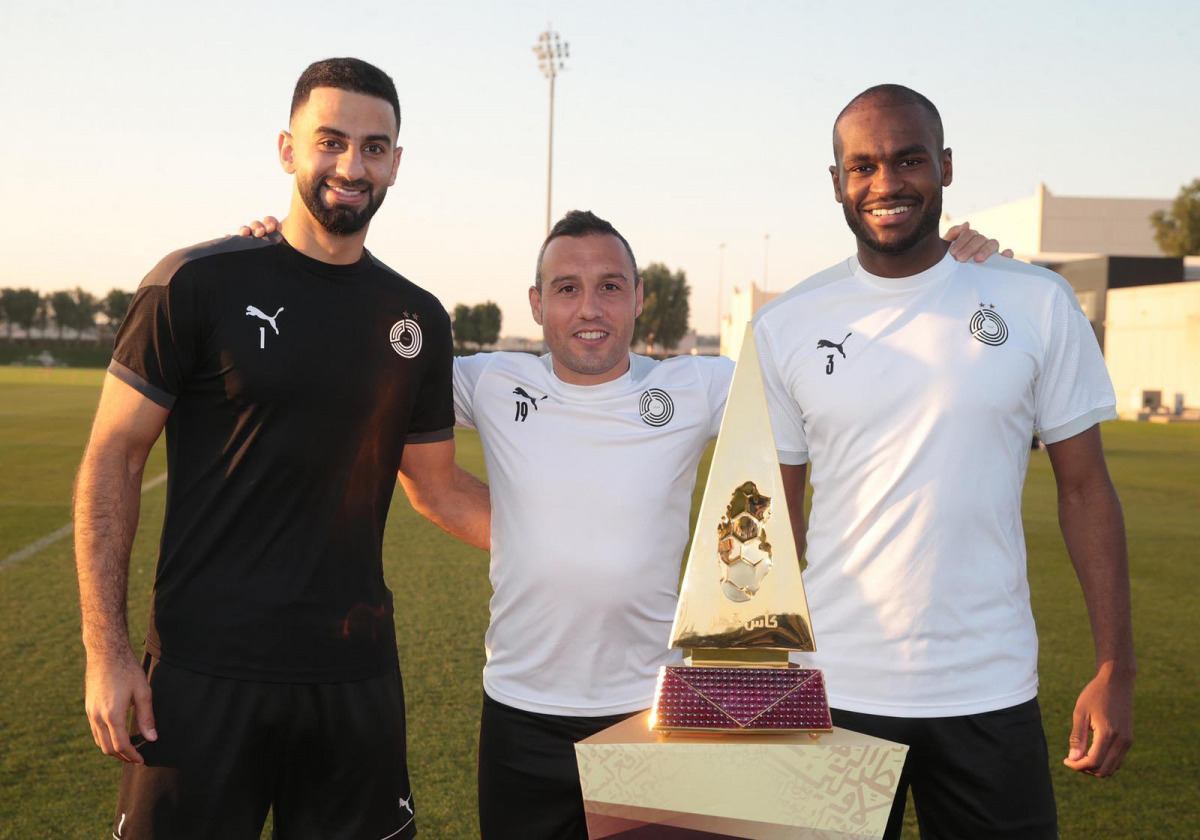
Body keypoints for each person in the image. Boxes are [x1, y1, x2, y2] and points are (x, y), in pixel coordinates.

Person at [239, 208, 1003, 839]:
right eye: (566, 289)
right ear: (536, 303)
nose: (590, 308)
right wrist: (295, 265)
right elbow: (356, 367)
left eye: (609, 287)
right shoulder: (488, 380)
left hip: (654, 715)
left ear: (640, 296)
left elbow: (847, 367)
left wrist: (938, 275)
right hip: (520, 711)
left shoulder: (701, 385)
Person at [73, 57, 488, 840]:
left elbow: (439, 489)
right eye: (329, 141)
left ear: (396, 163)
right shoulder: (195, 283)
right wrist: (107, 652)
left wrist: (586, 550)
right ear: (287, 148)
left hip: (353, 676)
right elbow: (113, 457)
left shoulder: (416, 319)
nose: (350, 165)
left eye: (373, 147)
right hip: (203, 676)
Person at [754, 84, 1135, 840]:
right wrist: (752, 671)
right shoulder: (786, 324)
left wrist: (1114, 666)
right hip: (834, 695)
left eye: (909, 159)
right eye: (862, 166)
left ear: (946, 167)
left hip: (988, 690)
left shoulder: (1034, 301)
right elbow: (773, 520)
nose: (886, 182)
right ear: (836, 182)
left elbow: (1086, 490)